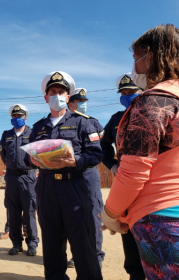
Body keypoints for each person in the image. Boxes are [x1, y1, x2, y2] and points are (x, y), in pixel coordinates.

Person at [101, 24, 179, 279]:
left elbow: (134, 172)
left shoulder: (154, 101)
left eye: (137, 58)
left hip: (162, 221)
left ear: (153, 57)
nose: (134, 67)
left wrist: (111, 213)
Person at [28, 71, 103, 280]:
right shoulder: (38, 127)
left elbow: (96, 154)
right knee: (51, 245)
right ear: (45, 97)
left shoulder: (83, 123)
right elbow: (27, 156)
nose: (57, 95)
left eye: (61, 92)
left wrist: (75, 161)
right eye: (53, 92)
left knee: (83, 245)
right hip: (47, 189)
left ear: (68, 97)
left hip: (75, 188)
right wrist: (32, 160)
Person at [100, 73, 145, 280]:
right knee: (127, 228)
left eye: (132, 92)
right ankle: (135, 274)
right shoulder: (117, 119)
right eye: (124, 93)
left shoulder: (152, 113)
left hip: (150, 184)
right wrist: (112, 165)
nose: (128, 96)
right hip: (125, 181)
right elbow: (103, 145)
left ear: (142, 91)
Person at [66, 88, 105, 269]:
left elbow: (98, 150)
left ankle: (96, 253)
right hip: (69, 177)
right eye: (79, 100)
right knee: (73, 217)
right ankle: (77, 254)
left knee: (93, 215)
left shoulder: (93, 123)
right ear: (70, 103)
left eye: (84, 100)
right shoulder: (61, 122)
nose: (83, 103)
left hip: (88, 175)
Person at [0, 104, 39, 256]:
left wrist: (36, 170)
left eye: (20, 116)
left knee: (29, 211)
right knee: (13, 211)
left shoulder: (32, 133)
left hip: (28, 176)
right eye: (14, 116)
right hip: (11, 177)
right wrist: (11, 166)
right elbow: (3, 154)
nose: (17, 119)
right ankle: (16, 244)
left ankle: (32, 243)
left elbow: (38, 152)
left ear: (25, 118)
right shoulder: (6, 135)